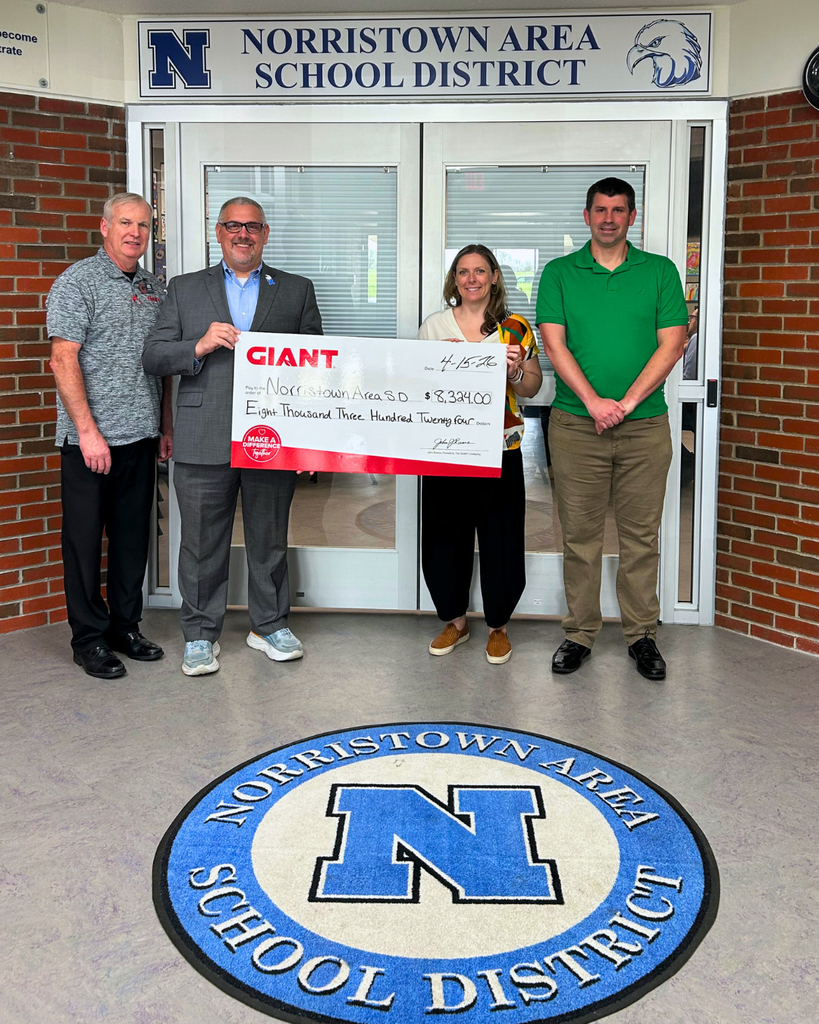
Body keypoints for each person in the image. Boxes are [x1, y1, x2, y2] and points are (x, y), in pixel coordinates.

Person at [142, 197, 322, 676]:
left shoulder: (297, 290)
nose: (243, 234)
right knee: (201, 541)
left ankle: (270, 626)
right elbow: (154, 357)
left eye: (252, 227)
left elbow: (317, 372)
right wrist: (197, 346)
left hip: (273, 437)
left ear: (265, 234)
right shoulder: (183, 289)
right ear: (217, 232)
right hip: (203, 433)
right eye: (233, 226)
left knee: (270, 537)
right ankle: (200, 634)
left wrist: (310, 437)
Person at [536, 177, 688, 680]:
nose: (608, 218)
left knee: (641, 537)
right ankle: (579, 633)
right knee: (579, 537)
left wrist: (622, 403)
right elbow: (554, 345)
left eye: (618, 210)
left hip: (645, 428)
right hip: (576, 427)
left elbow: (673, 344)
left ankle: (641, 634)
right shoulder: (559, 273)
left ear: (631, 216)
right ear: (586, 216)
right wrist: (594, 403)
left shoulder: (661, 272)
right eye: (599, 209)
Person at [47, 193, 173, 679]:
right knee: (83, 543)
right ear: (104, 226)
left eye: (143, 225)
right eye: (125, 222)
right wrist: (87, 432)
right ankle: (88, 640)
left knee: (131, 539)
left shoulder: (153, 288)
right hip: (89, 443)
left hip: (140, 438)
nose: (134, 232)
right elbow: (64, 358)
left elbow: (160, 367)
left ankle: (125, 626)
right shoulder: (77, 282)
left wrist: (163, 427)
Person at [418, 244, 542, 665]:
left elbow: (532, 388)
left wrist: (515, 370)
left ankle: (498, 627)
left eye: (480, 271)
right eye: (463, 271)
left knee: (500, 537)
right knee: (443, 536)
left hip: (498, 449)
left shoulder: (514, 328)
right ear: (455, 279)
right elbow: (416, 386)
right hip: (444, 450)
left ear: (493, 277)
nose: (471, 279)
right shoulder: (434, 325)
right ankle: (454, 621)